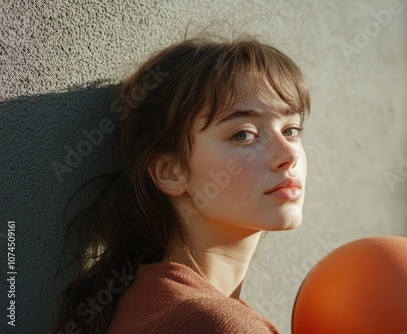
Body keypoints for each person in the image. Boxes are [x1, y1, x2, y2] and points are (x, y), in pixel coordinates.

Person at [53, 35, 310, 333]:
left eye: (290, 130)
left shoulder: (146, 300)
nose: (289, 154)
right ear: (170, 172)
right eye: (243, 134)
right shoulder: (217, 324)